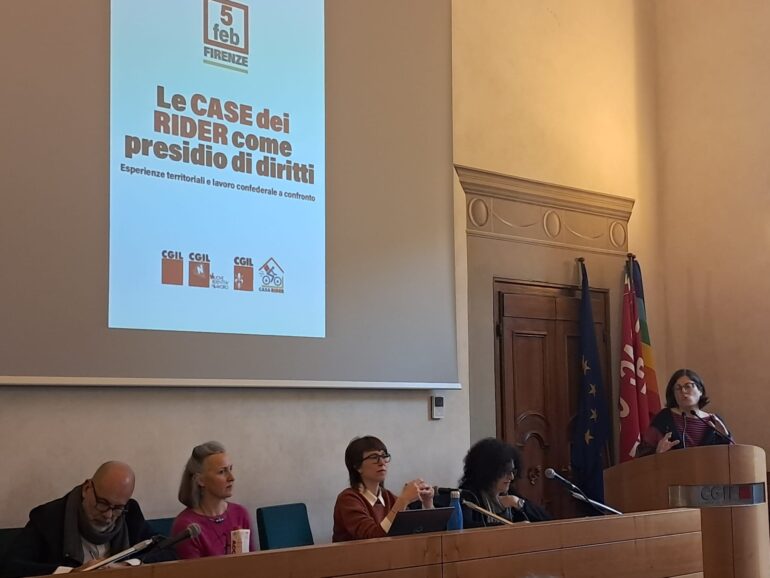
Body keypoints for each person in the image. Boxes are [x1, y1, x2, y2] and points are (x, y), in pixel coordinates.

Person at [0, 461, 173, 578]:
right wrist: (72, 573)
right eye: (103, 503)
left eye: (117, 508)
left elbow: (168, 552)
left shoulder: (130, 512)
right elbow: (10, 567)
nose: (108, 515)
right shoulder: (49, 516)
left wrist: (126, 566)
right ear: (87, 488)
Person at [332, 436, 435, 542]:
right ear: (357, 466)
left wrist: (427, 503)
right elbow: (373, 538)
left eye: (384, 456)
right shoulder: (348, 499)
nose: (382, 462)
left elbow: (415, 531)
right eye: (374, 457)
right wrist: (403, 500)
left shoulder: (389, 497)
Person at [172, 441, 253, 558]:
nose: (231, 478)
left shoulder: (240, 514)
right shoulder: (187, 526)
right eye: (222, 472)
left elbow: (254, 562)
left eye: (230, 469)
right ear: (200, 480)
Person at [636, 368, 733, 457]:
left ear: (700, 390)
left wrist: (725, 436)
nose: (683, 391)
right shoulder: (663, 418)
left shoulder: (714, 421)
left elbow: (732, 456)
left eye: (688, 386)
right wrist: (657, 453)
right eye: (678, 388)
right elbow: (641, 456)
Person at [459, 437, 550, 527]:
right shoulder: (468, 495)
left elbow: (547, 521)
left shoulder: (510, 493)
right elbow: (466, 528)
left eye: (513, 471)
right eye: (505, 472)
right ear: (489, 472)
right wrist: (511, 527)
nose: (511, 477)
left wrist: (518, 503)